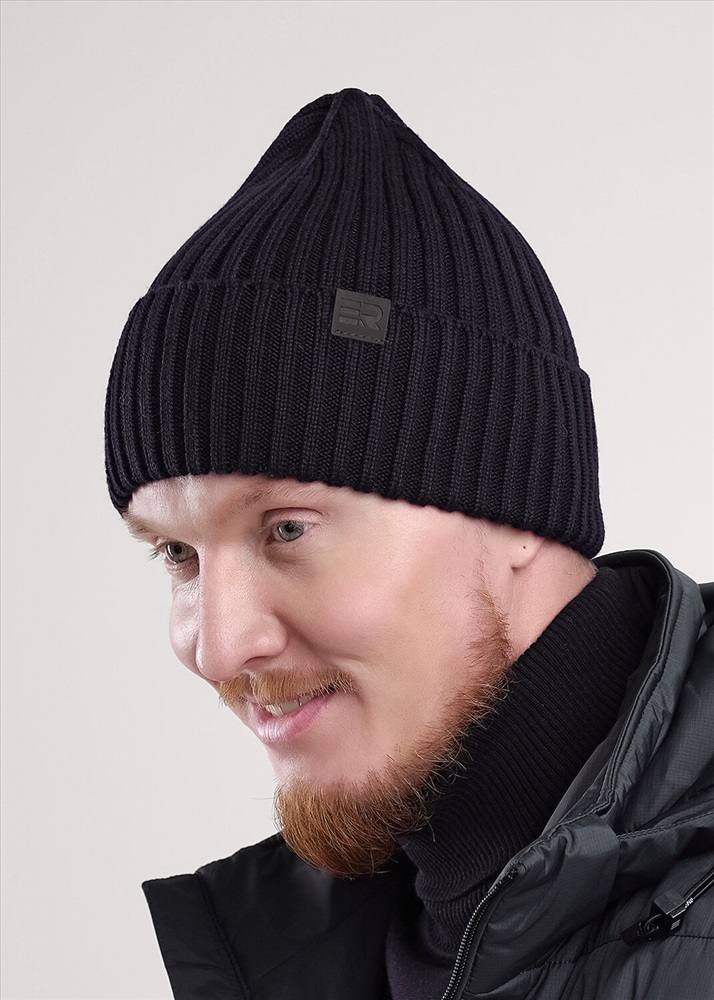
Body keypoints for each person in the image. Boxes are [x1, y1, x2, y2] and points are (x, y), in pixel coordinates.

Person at [105, 90, 713, 999]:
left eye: (288, 529)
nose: (219, 648)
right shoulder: (321, 940)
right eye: (177, 554)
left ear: (513, 506)